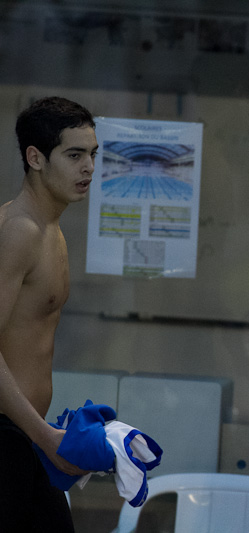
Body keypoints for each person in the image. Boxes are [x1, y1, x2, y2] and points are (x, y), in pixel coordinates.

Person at [0, 96, 97, 531]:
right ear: (35, 158)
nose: (88, 167)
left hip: (27, 434)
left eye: (93, 154)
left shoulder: (50, 228)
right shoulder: (20, 230)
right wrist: (46, 438)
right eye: (74, 155)